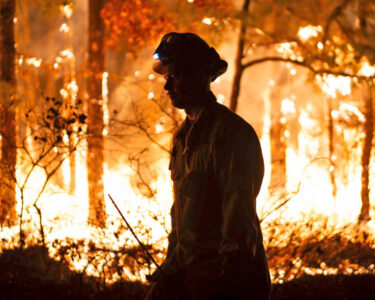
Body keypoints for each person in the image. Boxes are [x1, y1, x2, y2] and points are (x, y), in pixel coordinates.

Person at [146, 32, 271, 300]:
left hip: (228, 285)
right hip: (192, 281)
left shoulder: (230, 135)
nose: (167, 86)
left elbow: (238, 225)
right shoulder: (182, 139)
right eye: (166, 77)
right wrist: (170, 269)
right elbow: (181, 222)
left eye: (175, 75)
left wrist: (227, 286)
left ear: (201, 75)